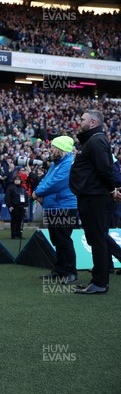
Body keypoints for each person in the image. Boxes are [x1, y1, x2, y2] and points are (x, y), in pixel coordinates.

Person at [70, 110, 118, 294]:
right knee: (95, 238)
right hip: (89, 196)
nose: (79, 121)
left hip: (95, 197)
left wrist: (111, 189)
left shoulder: (97, 140)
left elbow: (105, 169)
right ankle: (99, 279)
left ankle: (99, 282)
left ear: (92, 122)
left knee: (97, 239)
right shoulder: (90, 140)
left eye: (82, 119)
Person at [32, 136, 78, 285]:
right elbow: (46, 180)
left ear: (61, 149)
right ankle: (59, 271)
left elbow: (55, 183)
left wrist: (37, 193)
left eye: (53, 147)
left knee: (64, 240)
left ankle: (71, 273)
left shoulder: (68, 164)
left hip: (64, 207)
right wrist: (38, 192)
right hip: (53, 207)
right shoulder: (56, 164)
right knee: (56, 240)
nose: (50, 150)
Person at [5, 174, 27, 239]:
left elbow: (25, 197)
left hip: (22, 206)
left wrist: (26, 205)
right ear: (14, 180)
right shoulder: (10, 187)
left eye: (19, 180)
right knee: (14, 221)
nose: (17, 181)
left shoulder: (23, 188)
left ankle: (19, 234)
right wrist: (9, 206)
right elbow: (7, 198)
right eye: (16, 180)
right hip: (14, 207)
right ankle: (14, 235)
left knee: (20, 221)